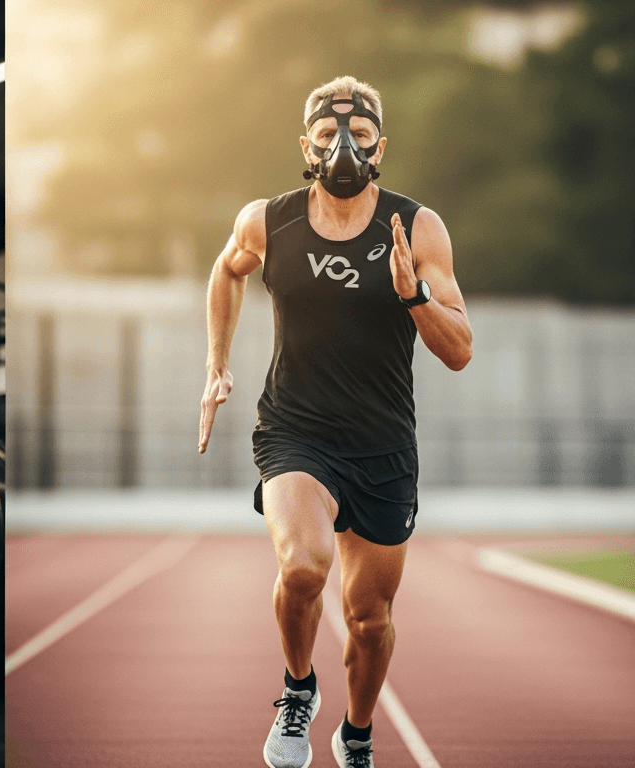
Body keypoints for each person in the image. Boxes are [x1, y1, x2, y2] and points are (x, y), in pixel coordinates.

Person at [197, 76, 472, 768]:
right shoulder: (268, 221)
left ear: (381, 146)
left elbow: (460, 350)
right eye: (327, 134)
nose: (343, 145)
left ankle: (356, 734)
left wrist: (414, 295)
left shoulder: (417, 227)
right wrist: (216, 363)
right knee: (302, 567)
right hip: (295, 430)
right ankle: (298, 690)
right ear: (306, 145)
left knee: (368, 620)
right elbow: (227, 270)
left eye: (359, 133)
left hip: (382, 444)